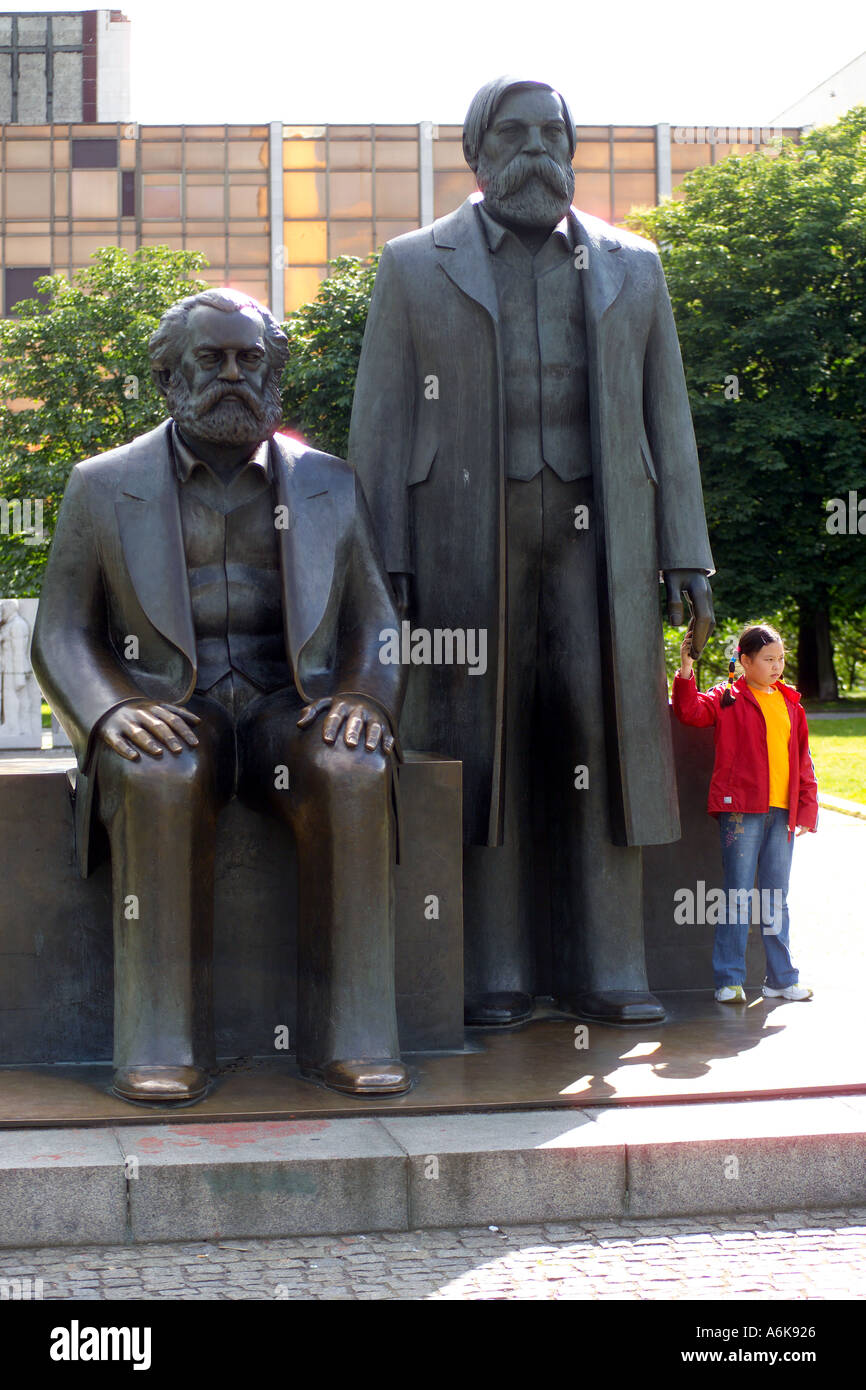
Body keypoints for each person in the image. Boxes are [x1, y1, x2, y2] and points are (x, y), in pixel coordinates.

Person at [349, 75, 716, 1027]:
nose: (536, 148)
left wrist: (689, 553)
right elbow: (381, 423)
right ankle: (496, 971)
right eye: (512, 133)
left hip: (606, 541)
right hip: (464, 539)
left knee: (605, 738)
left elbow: (666, 419)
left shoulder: (635, 263)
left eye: (552, 132)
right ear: (475, 153)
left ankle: (614, 965)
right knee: (487, 742)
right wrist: (379, 560)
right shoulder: (413, 265)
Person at [32, 287, 410, 1103]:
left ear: (273, 373)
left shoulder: (332, 485)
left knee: (352, 766)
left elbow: (377, 622)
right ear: (170, 374)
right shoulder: (102, 486)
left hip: (289, 707)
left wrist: (366, 699)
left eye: (251, 360)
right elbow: (61, 632)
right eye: (213, 359)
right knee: (158, 772)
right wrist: (112, 710)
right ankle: (162, 1040)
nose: (234, 376)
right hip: (175, 704)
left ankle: (350, 1037)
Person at [672, 621, 817, 1004]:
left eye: (780, 659)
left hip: (782, 812)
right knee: (737, 895)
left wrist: (806, 809)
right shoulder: (727, 697)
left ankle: (781, 980)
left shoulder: (790, 704)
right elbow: (689, 711)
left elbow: (803, 761)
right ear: (745, 660)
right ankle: (729, 980)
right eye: (768, 659)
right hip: (741, 812)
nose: (776, 666)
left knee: (775, 898)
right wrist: (686, 668)